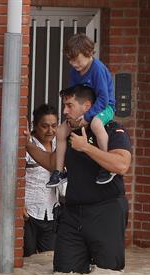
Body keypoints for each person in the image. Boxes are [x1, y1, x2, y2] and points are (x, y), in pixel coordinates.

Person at [52, 84, 133, 274]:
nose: (65, 111)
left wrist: (86, 147)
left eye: (70, 106)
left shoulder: (111, 130)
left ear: (87, 106)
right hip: (73, 213)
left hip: (106, 211)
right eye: (64, 106)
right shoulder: (68, 133)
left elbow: (121, 165)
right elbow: (53, 162)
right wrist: (27, 146)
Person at [47, 33, 116, 188]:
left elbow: (104, 99)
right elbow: (73, 96)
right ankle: (59, 171)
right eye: (70, 60)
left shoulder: (97, 69)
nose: (73, 64)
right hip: (83, 109)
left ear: (89, 53)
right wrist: (74, 116)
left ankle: (107, 165)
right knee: (60, 131)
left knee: (96, 125)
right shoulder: (74, 72)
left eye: (77, 60)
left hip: (104, 108)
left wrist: (88, 117)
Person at [22, 104, 61, 257]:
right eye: (44, 126)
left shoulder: (60, 145)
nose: (50, 131)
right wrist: (19, 204)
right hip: (29, 212)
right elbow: (16, 176)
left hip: (51, 213)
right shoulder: (27, 145)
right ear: (35, 126)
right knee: (27, 257)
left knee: (48, 258)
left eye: (54, 126)